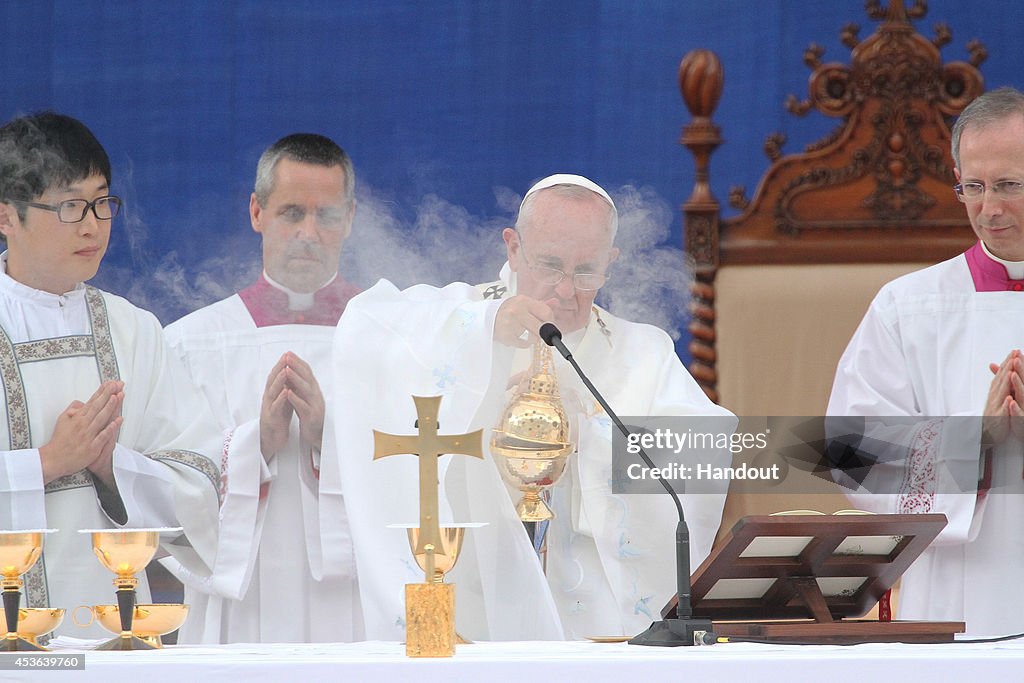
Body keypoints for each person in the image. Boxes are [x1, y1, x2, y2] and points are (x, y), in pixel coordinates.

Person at [324, 173, 735, 640]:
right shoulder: (464, 319)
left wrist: (595, 439)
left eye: (586, 271)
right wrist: (484, 335)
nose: (565, 289)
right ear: (513, 248)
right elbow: (365, 329)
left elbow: (709, 456)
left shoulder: (643, 353)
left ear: (611, 262)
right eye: (550, 265)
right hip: (472, 611)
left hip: (595, 628)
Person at [0, 112, 220, 639]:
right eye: (70, 206)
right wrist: (47, 464)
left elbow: (200, 477)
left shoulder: (134, 330)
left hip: (113, 632)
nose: (92, 224)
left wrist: (112, 468)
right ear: (7, 215)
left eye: (102, 203)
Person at [827, 87, 1024, 636]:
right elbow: (849, 449)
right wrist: (974, 439)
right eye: (974, 187)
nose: (990, 208)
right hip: (959, 591)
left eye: (1009, 185)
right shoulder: (909, 306)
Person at [164, 134, 361, 643]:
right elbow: (163, 478)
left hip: (356, 605)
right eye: (291, 213)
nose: (308, 233)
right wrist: (257, 446)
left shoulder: (388, 333)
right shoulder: (192, 342)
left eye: (328, 216)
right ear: (257, 212)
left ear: (351, 218)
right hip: (239, 605)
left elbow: (421, 472)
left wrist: (327, 435)